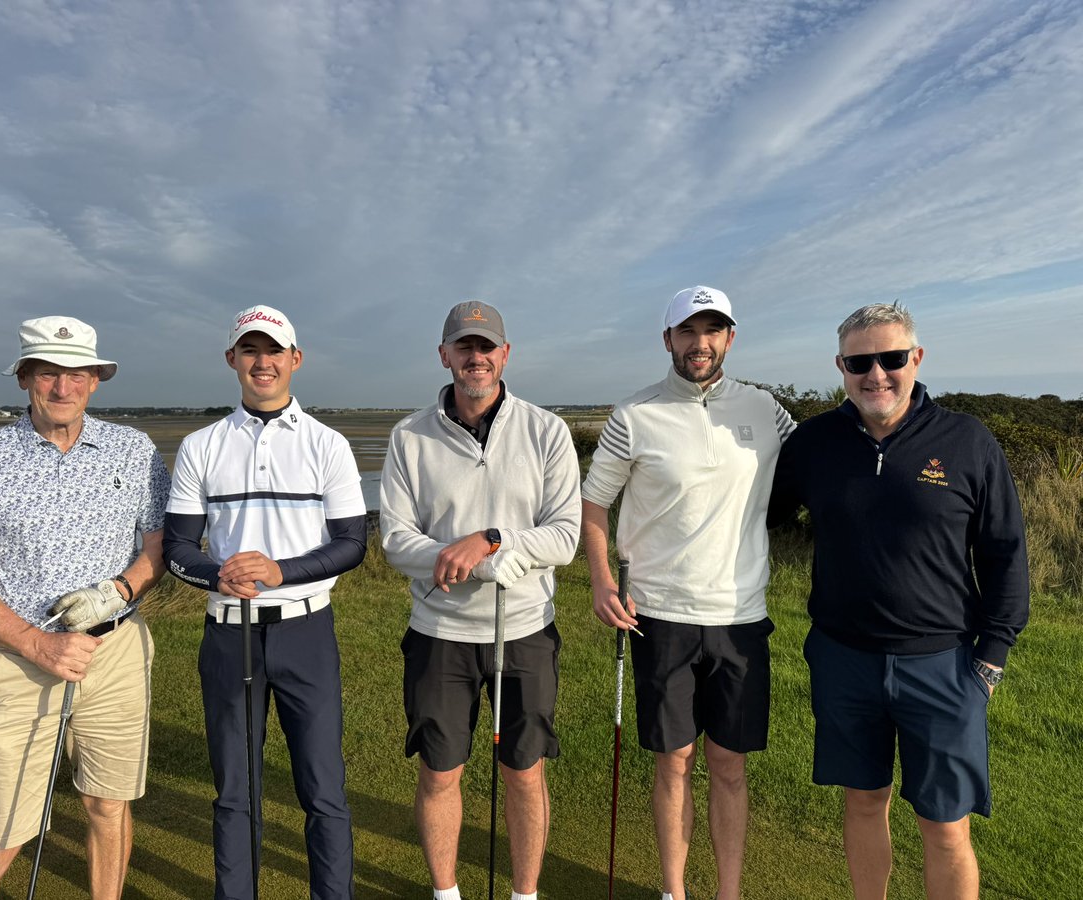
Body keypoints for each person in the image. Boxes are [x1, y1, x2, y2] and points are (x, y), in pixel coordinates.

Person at [768, 302, 1029, 900]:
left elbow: (1004, 553)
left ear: (916, 358)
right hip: (843, 658)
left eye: (890, 358)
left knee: (944, 825)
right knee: (864, 803)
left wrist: (989, 660)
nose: (876, 374)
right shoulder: (815, 442)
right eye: (860, 361)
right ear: (841, 365)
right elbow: (760, 515)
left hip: (943, 663)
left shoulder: (967, 440)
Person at [0, 316, 170, 900]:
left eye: (75, 374)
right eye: (46, 373)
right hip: (21, 657)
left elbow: (157, 547)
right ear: (24, 379)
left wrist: (118, 591)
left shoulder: (133, 449)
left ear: (95, 379)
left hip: (115, 650)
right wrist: (38, 643)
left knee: (106, 805)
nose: (61, 387)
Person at [580, 286, 794, 900]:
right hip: (659, 616)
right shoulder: (634, 415)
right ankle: (674, 892)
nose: (700, 343)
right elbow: (594, 503)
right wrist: (599, 581)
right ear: (667, 339)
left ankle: (728, 893)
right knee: (674, 763)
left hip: (740, 616)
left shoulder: (767, 410)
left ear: (730, 338)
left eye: (713, 330)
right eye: (687, 331)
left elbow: (813, 465)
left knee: (730, 766)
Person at [379, 301, 581, 900]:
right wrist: (455, 558)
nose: (476, 357)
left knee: (525, 770)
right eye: (464, 347)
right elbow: (395, 539)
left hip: (524, 630)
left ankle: (525, 894)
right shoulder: (409, 436)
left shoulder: (546, 430)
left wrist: (490, 541)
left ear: (506, 354)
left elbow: (564, 535)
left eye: (487, 346)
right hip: (440, 632)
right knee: (440, 772)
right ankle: (446, 893)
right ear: (445, 356)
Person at [163, 305, 366, 900]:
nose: (263, 362)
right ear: (232, 360)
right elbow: (178, 546)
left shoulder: (327, 445)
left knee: (323, 788)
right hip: (230, 633)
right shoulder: (202, 446)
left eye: (274, 351)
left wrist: (280, 571)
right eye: (250, 350)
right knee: (234, 791)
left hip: (306, 634)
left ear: (295, 359)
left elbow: (352, 544)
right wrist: (215, 575)